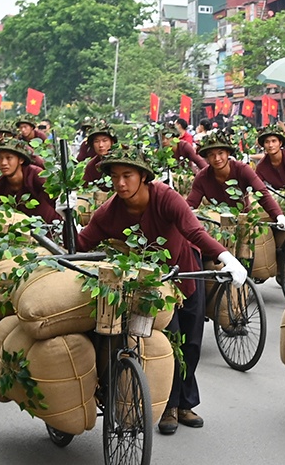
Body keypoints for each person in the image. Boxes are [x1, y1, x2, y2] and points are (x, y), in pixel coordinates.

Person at [76, 148, 248, 435]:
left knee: (191, 343)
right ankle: (168, 405)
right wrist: (63, 229)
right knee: (167, 344)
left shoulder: (166, 197)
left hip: (183, 272)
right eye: (115, 177)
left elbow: (194, 232)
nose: (120, 183)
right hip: (149, 287)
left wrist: (226, 257)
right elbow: (83, 244)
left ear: (143, 177)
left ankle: (185, 404)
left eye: (127, 176)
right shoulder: (108, 212)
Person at [189, 128, 285, 229]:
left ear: (228, 153)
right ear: (207, 158)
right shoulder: (202, 177)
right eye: (211, 155)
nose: (217, 159)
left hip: (244, 222)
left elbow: (262, 193)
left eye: (220, 153)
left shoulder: (242, 170)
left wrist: (279, 217)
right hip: (217, 225)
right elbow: (191, 204)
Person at [0, 137, 60, 221]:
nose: (3, 163)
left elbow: (58, 197)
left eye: (9, 158)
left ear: (21, 160)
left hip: (50, 228)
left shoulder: (36, 175)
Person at [254, 125, 285, 191]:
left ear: (280, 143)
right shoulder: (261, 166)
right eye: (267, 142)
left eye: (274, 141)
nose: (270, 145)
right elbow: (256, 186)